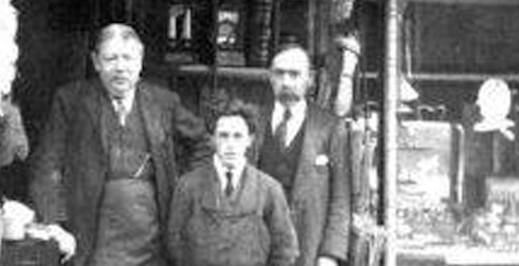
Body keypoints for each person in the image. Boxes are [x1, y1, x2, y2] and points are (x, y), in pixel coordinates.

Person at [32, 24, 209, 266]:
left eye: (128, 58)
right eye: (111, 58)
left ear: (141, 59)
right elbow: (47, 164)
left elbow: (204, 146)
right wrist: (54, 224)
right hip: (92, 236)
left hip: (153, 238)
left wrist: (185, 191)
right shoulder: (71, 100)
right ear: (96, 62)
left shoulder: (163, 102)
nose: (120, 68)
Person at [252, 45, 352, 266]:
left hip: (308, 247)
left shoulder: (330, 128)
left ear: (310, 79)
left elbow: (341, 198)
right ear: (270, 78)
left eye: (295, 74)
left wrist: (330, 254)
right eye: (279, 73)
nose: (286, 82)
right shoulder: (253, 122)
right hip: (256, 247)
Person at [167, 113, 296, 266]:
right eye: (223, 135)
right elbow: (174, 243)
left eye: (238, 136)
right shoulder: (188, 186)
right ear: (213, 139)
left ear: (249, 140)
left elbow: (285, 249)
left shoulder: (270, 189)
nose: (230, 144)